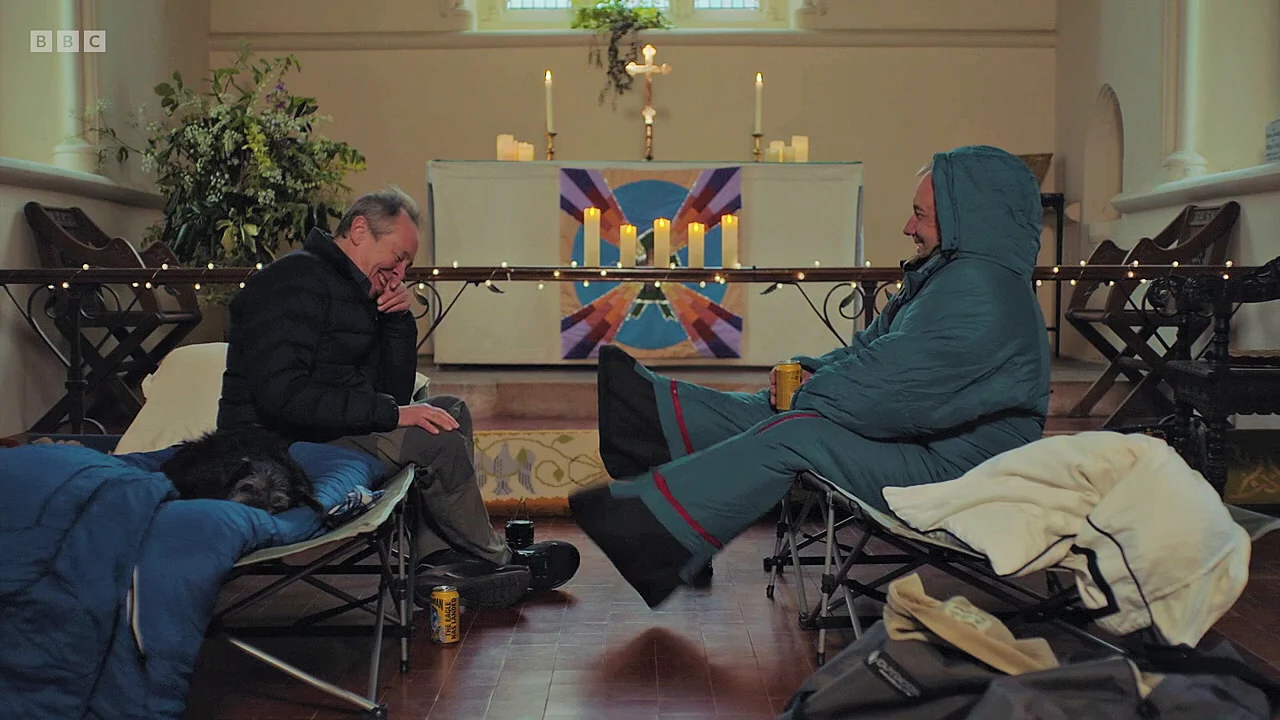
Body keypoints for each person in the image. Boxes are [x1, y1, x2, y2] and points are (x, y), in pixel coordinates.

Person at [571, 145, 1051, 609]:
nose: (908, 227)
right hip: (927, 445)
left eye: (920, 215)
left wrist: (809, 391)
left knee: (796, 432)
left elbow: (885, 394)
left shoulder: (979, 291)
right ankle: (651, 420)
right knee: (780, 409)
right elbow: (872, 355)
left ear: (966, 219)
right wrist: (812, 373)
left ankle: (655, 531)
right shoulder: (950, 277)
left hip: (958, 476)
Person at [217, 187, 580, 609]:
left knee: (449, 412)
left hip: (323, 430)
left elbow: (393, 391)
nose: (401, 272)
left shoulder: (357, 287)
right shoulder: (290, 283)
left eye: (408, 263)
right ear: (359, 230)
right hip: (278, 446)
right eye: (399, 256)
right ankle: (497, 558)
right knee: (434, 438)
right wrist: (391, 414)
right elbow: (283, 398)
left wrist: (398, 322)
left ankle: (437, 561)